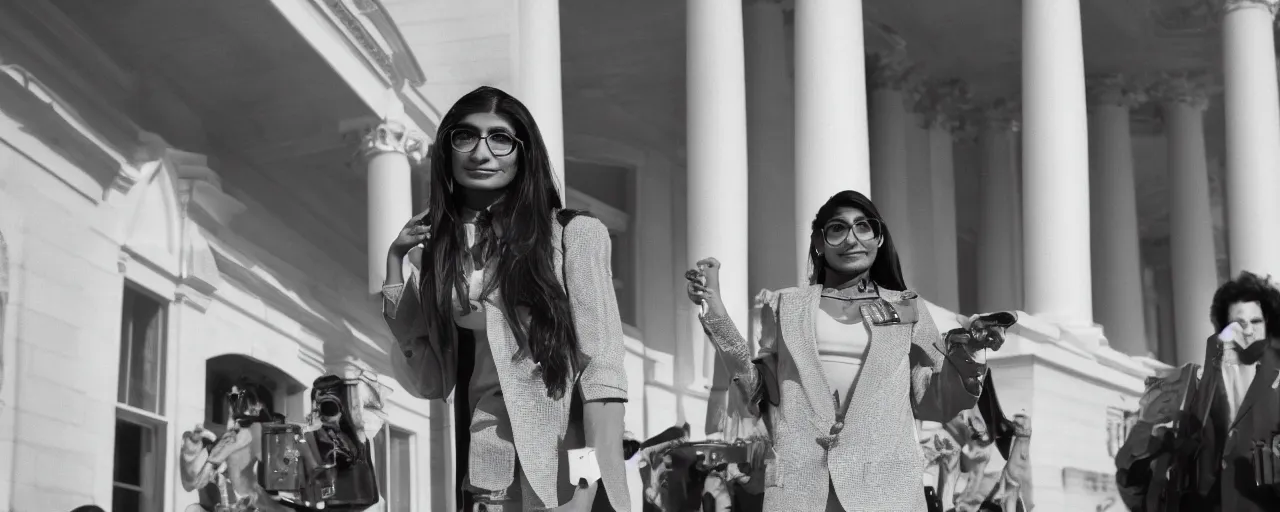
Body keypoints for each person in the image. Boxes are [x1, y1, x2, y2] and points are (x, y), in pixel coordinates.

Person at [381, 86, 630, 511]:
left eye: (500, 138)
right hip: (488, 463)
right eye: (465, 136)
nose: (481, 153)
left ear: (523, 154)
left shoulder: (574, 235)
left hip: (562, 471)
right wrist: (395, 261)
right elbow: (432, 380)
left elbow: (601, 379)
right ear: (447, 151)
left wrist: (585, 490)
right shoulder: (441, 257)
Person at [684, 190, 1008, 511]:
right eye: (838, 228)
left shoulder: (908, 308)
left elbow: (934, 400)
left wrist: (973, 349)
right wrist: (716, 311)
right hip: (800, 489)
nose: (852, 239)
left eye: (864, 227)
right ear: (818, 241)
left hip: (887, 491)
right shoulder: (786, 306)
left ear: (879, 239)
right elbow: (759, 390)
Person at [1179, 271, 1280, 511]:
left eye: (1256, 322)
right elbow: (1193, 445)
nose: (1248, 331)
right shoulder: (1210, 376)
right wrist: (1215, 358)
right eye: (1239, 323)